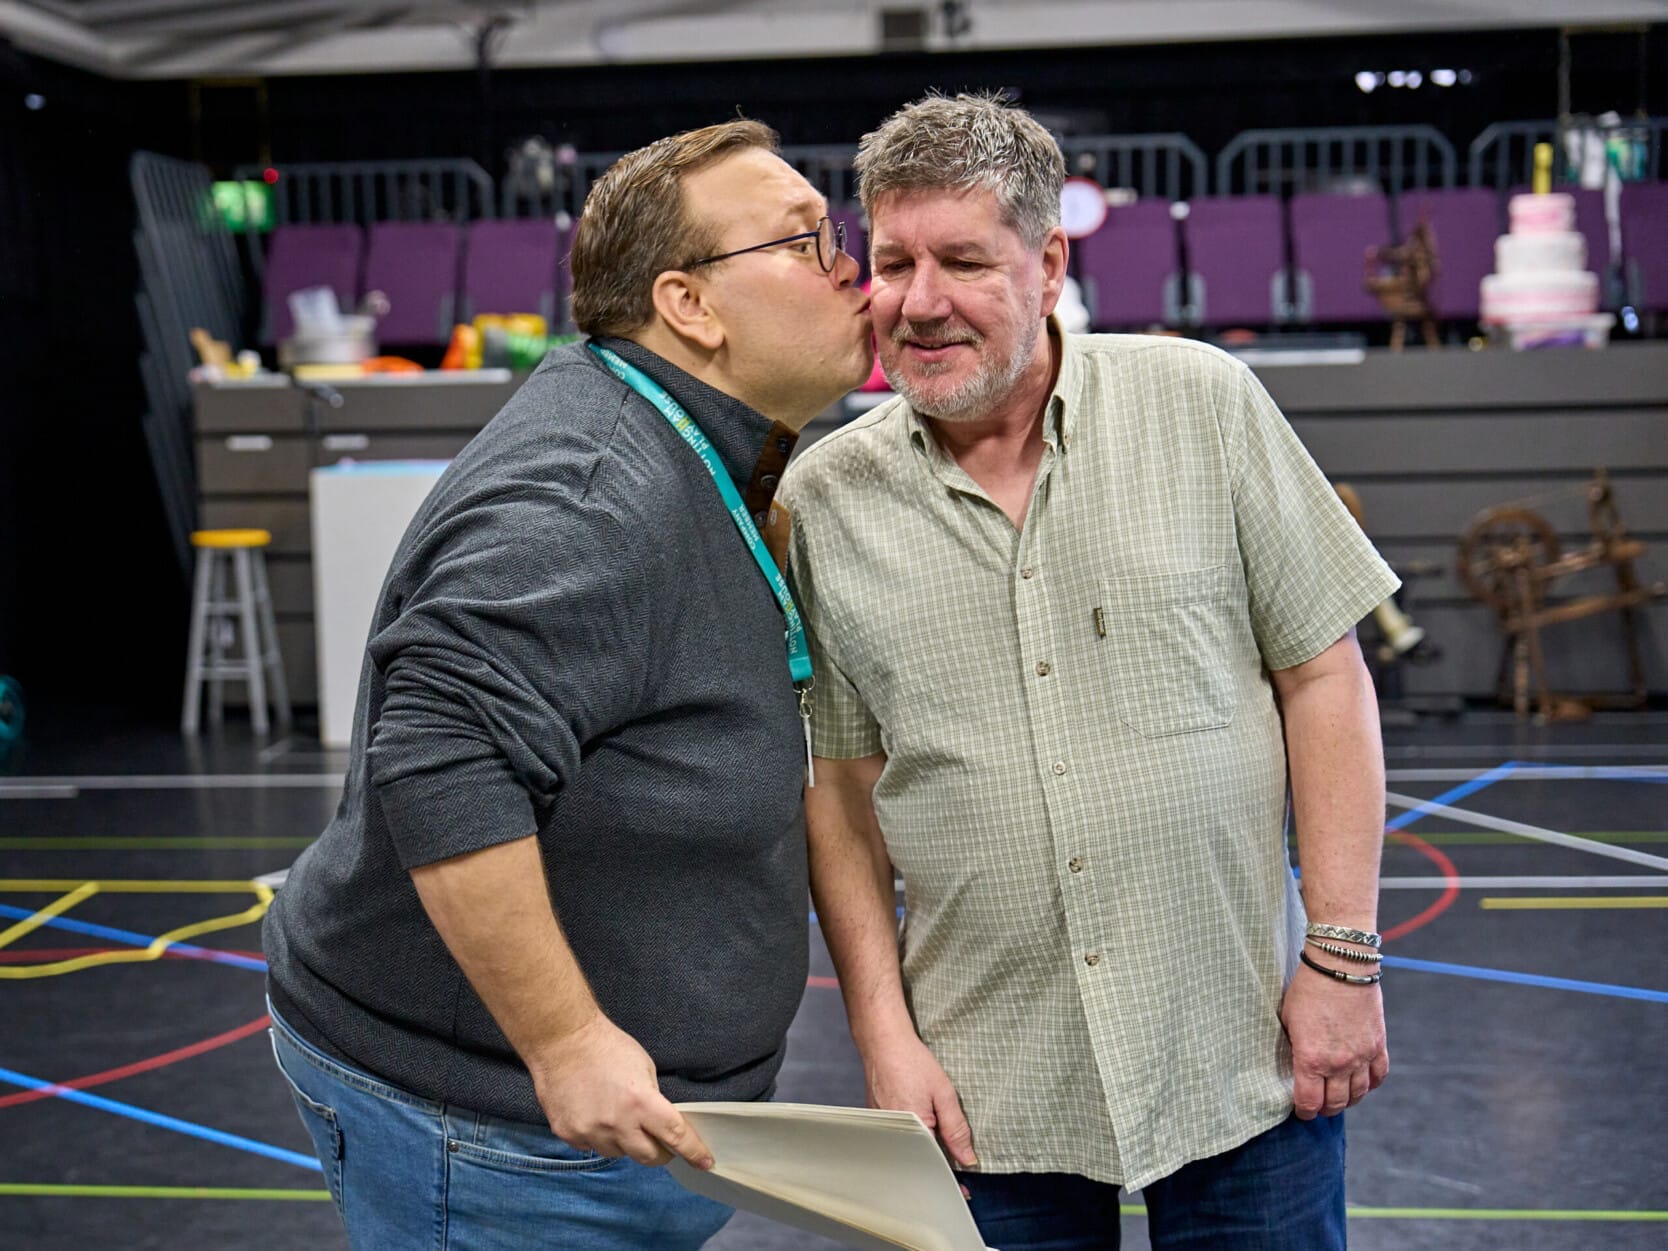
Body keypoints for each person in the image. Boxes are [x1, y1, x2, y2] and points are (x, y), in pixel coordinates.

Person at [778, 92, 1397, 1250]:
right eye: (896, 260)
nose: (920, 302)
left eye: (963, 260)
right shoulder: (825, 500)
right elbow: (840, 794)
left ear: (1049, 259)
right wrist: (881, 1034)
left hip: (1240, 1053)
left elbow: (1324, 677)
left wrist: (1342, 954)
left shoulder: (1201, 405)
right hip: (984, 1086)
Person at [262, 118, 872, 1250]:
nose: (853, 270)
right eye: (805, 241)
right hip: (500, 1137)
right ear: (689, 305)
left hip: (591, 1140)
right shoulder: (595, 493)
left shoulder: (693, 444)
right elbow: (441, 743)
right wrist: (566, 1039)